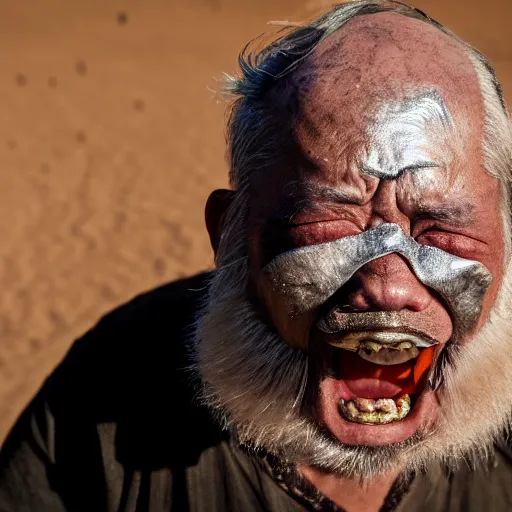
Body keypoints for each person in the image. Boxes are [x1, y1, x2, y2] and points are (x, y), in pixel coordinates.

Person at [2, 1, 512, 510]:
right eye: (327, 223)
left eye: (442, 228)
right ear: (229, 237)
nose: (389, 285)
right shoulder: (106, 399)